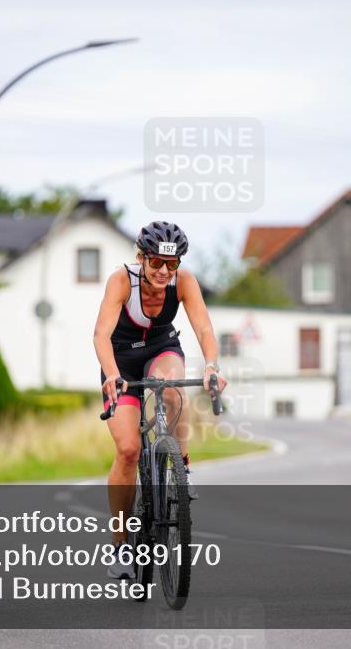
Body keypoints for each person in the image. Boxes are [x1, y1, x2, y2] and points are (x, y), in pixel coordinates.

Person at [92, 221, 228, 579]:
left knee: (171, 389)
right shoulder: (121, 280)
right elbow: (101, 333)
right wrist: (110, 374)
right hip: (120, 360)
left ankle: (180, 465)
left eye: (172, 264)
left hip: (160, 348)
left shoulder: (183, 282)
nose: (164, 271)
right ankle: (121, 545)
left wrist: (212, 365)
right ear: (141, 258)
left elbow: (203, 328)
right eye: (156, 263)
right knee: (127, 450)